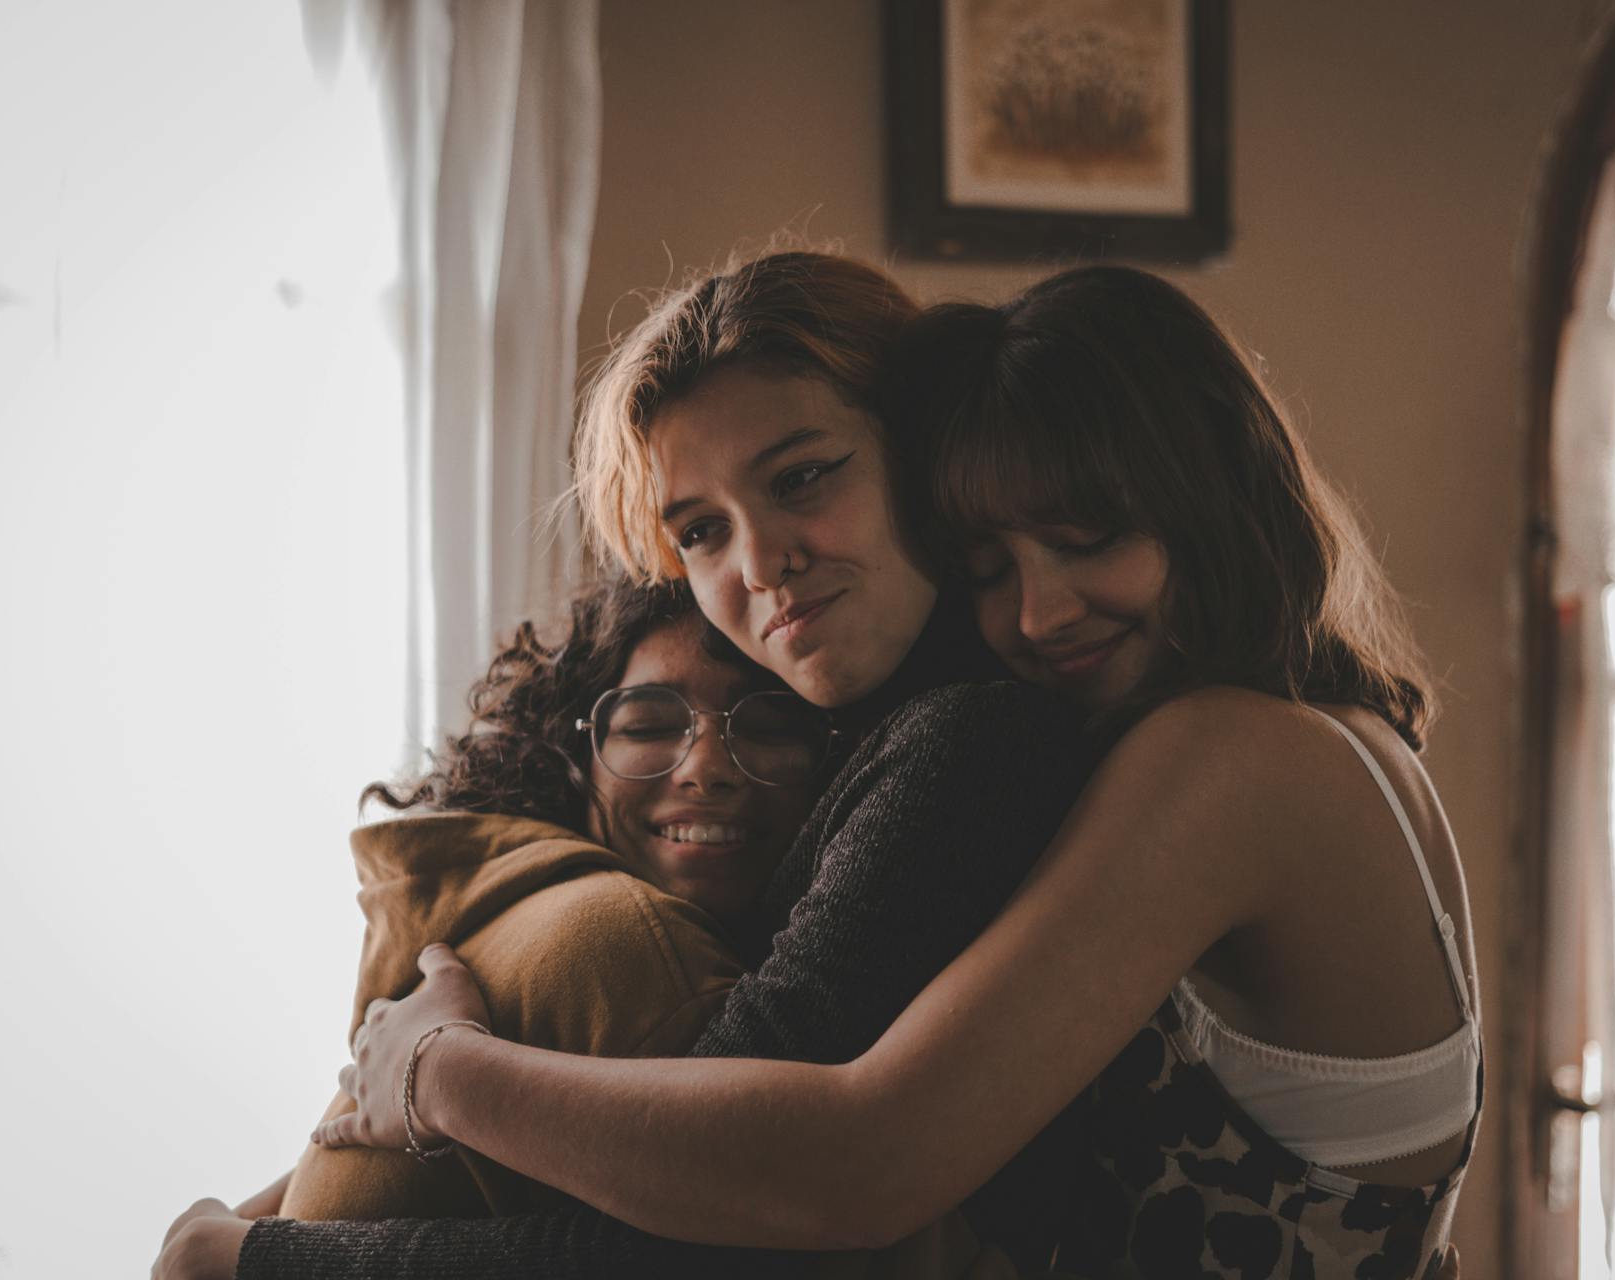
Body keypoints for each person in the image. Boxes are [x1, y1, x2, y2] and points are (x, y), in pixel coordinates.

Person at [297, 263, 1483, 1279]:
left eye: (1087, 540)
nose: (1039, 608)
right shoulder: (1284, 733)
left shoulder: (1226, 755)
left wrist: (437, 1075)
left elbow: (842, 1167)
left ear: (1210, 503)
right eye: (987, 561)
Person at [153, 252, 1102, 1280]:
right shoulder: (854, 749)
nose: (758, 561)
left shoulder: (968, 742)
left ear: (919, 449)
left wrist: (263, 1252)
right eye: (701, 530)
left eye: (802, 476)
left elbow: (711, 1227)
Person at [230, 576, 822, 1225]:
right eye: (649, 723)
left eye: (767, 725)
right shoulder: (634, 942)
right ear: (575, 755)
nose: (705, 766)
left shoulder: (503, 907)